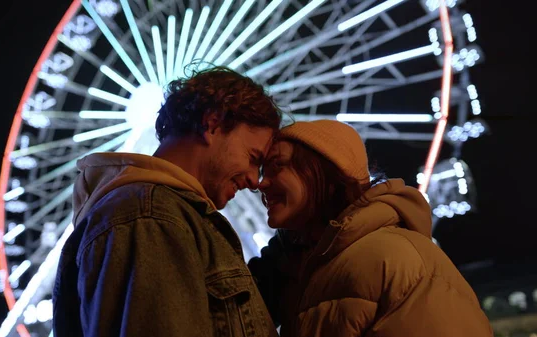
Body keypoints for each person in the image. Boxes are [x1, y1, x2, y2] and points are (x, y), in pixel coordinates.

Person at [52, 65, 284, 337]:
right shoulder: (151, 218)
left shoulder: (160, 216)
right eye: (253, 157)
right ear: (212, 124)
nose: (254, 181)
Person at [248, 120, 493, 337]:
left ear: (322, 171)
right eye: (262, 170)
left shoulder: (396, 258)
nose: (261, 183)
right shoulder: (299, 271)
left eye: (276, 166)